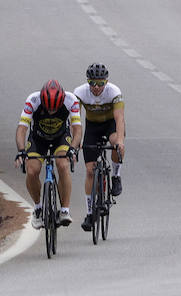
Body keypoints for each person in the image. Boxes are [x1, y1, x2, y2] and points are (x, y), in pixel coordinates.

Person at [15, 79, 83, 229]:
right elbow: (22, 129)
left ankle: (64, 210)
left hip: (60, 138)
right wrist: (21, 150)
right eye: (48, 108)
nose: (51, 112)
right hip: (38, 139)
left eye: (55, 109)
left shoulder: (71, 100)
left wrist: (73, 148)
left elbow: (77, 130)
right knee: (32, 170)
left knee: (63, 164)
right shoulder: (32, 100)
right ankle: (38, 208)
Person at [72, 62, 126, 231]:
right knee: (90, 171)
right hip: (92, 127)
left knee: (117, 144)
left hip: (110, 125)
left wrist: (120, 142)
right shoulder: (79, 93)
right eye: (92, 83)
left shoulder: (114, 92)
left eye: (100, 83)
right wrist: (76, 139)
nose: (96, 87)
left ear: (106, 82)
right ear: (87, 82)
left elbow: (119, 119)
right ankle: (90, 213)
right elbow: (75, 120)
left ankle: (116, 176)